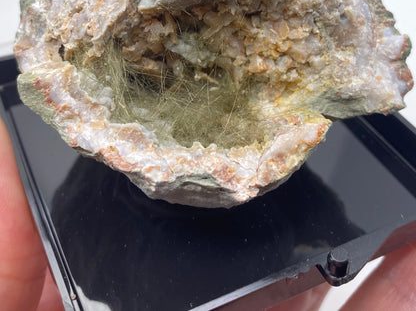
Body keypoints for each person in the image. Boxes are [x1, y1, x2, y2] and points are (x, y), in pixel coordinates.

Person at [0, 116, 415, 311]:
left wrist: (340, 230)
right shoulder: (94, 232)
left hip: (252, 223)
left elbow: (316, 208)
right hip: (136, 235)